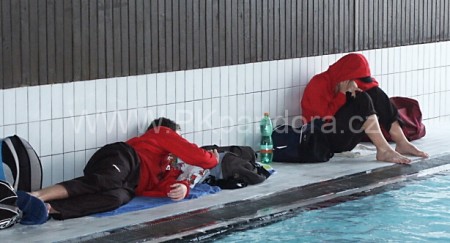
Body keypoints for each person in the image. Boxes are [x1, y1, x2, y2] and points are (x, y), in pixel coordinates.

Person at [20, 117, 219, 222]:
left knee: (115, 199)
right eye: (178, 138)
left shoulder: (169, 167)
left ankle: (48, 209)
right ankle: (37, 195)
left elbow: (168, 186)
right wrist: (213, 159)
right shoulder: (160, 132)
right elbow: (199, 157)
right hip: (126, 157)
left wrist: (182, 188)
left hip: (130, 184)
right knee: (104, 181)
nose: (179, 143)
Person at [301, 53, 428, 164]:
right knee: (362, 99)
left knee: (375, 93)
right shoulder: (318, 84)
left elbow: (373, 89)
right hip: (323, 140)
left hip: (347, 138)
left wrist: (355, 91)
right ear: (345, 77)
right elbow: (319, 122)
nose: (358, 84)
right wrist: (341, 95)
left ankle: (402, 142)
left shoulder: (348, 79)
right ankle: (384, 150)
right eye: (356, 80)